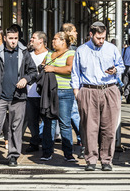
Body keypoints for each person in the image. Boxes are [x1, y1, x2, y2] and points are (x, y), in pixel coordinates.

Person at [71, 21, 125, 171]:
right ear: (91, 35)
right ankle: (91, 160)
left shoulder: (111, 48)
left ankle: (106, 160)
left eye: (103, 38)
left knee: (109, 127)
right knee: (90, 128)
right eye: (98, 38)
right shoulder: (81, 50)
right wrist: (77, 92)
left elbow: (121, 65)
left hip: (109, 88)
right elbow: (75, 72)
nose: (101, 41)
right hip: (88, 90)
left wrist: (115, 70)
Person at [0, 25, 37, 167]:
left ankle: (13, 156)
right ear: (5, 38)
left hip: (18, 97)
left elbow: (33, 71)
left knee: (15, 128)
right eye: (11, 38)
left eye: (16, 38)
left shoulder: (24, 52)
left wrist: (26, 79)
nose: (13, 41)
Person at [40, 32, 77, 162]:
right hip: (50, 91)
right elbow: (44, 65)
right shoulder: (50, 54)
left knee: (65, 123)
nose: (53, 41)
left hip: (64, 91)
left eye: (55, 39)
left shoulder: (70, 53)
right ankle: (47, 152)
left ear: (63, 41)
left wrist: (53, 69)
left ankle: (68, 153)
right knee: (48, 122)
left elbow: (70, 69)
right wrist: (46, 67)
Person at [23, 31, 48, 153]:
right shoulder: (28, 55)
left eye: (33, 38)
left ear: (41, 41)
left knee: (46, 119)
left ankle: (45, 142)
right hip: (30, 93)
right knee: (32, 121)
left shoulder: (50, 55)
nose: (31, 40)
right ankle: (34, 142)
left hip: (44, 94)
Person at [62, 23, 83, 157]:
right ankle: (83, 139)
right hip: (69, 85)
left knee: (72, 114)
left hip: (71, 85)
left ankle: (82, 139)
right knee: (73, 114)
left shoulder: (74, 48)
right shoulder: (70, 49)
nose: (76, 33)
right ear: (69, 32)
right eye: (74, 31)